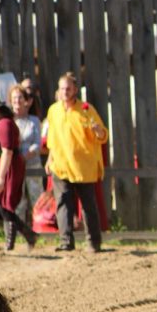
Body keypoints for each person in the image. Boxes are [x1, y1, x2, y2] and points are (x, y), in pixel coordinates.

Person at [44, 72, 109, 253]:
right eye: (62, 88)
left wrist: (98, 131)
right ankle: (66, 242)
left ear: (75, 90)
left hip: (82, 167)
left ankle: (93, 243)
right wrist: (50, 159)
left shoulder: (86, 110)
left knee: (88, 206)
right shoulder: (53, 111)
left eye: (68, 88)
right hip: (61, 165)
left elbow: (102, 135)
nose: (65, 91)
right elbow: (52, 139)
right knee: (63, 204)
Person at [0, 99, 37, 251]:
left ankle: (12, 241)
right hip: (5, 166)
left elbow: (7, 151)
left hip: (9, 167)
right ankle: (27, 234)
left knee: (4, 205)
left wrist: (0, 177)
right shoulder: (2, 123)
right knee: (1, 206)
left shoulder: (4, 124)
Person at [10, 84, 43, 229]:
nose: (17, 101)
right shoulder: (8, 121)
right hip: (14, 167)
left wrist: (25, 157)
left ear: (26, 101)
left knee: (37, 197)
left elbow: (38, 143)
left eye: (20, 98)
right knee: (18, 200)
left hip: (32, 164)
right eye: (14, 98)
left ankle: (41, 228)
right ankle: (19, 230)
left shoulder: (33, 121)